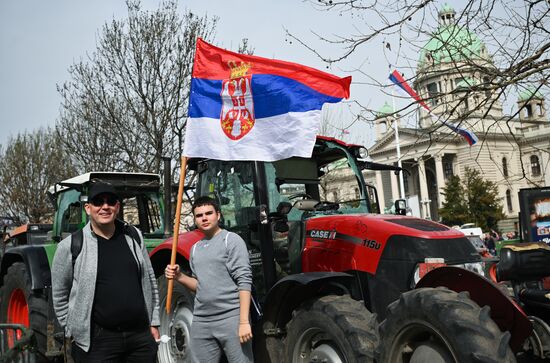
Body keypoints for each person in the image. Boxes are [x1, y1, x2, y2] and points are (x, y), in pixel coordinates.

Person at [52, 181, 160, 362]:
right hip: (98, 342)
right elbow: (59, 294)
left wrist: (154, 322)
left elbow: (150, 280)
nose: (105, 207)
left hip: (139, 338)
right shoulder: (71, 246)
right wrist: (73, 329)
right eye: (98, 202)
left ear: (117, 207)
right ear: (88, 208)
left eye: (110, 202)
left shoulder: (133, 236)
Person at [165, 196, 254, 363]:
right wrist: (179, 277)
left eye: (208, 213)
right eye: (199, 215)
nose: (204, 218)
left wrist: (243, 322)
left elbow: (244, 281)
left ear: (218, 215)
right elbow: (200, 285)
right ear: (195, 219)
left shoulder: (231, 241)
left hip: (231, 317)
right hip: (202, 320)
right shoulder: (195, 249)